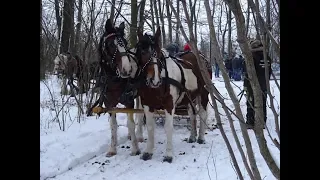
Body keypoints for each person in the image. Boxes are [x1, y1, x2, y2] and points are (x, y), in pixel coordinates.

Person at [244, 39, 272, 129]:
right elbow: (269, 71)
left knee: (250, 102)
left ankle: (250, 121)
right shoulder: (267, 57)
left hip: (251, 85)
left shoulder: (251, 57)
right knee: (262, 103)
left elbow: (247, 71)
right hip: (264, 84)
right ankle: (262, 121)